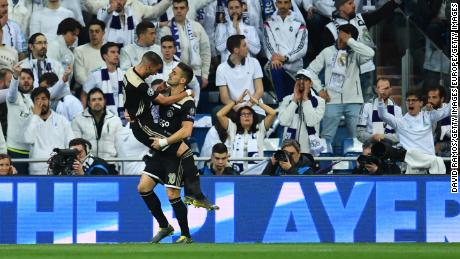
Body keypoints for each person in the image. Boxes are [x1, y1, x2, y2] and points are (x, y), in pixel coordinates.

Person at [136, 62, 199, 244]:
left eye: (174, 72)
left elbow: (187, 131)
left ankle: (186, 234)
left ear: (182, 80)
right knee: (143, 187)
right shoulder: (164, 95)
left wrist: (164, 141)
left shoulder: (187, 103)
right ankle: (165, 226)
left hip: (175, 154)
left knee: (172, 195)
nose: (170, 74)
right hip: (160, 153)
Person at [307, 24, 374, 149]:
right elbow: (310, 71)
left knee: (358, 137)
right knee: (326, 137)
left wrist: (350, 41)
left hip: (354, 101)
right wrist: (320, 90)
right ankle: (326, 168)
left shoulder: (357, 53)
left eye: (345, 38)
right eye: (340, 36)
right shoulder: (327, 52)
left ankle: (359, 166)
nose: (341, 40)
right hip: (331, 100)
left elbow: (370, 53)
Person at [321, 0, 402, 102]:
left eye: (353, 2)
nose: (354, 6)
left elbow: (379, 14)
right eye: (350, 3)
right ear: (340, 7)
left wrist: (395, 2)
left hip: (367, 69)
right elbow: (327, 55)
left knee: (368, 103)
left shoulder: (360, 19)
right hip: (346, 74)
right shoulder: (330, 28)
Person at [377, 89, 451, 174]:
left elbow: (447, 111)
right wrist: (380, 100)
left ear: (421, 103)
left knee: (437, 162)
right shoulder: (400, 122)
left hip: (430, 167)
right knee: (435, 161)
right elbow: (383, 115)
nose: (410, 103)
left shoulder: (428, 117)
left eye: (413, 100)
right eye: (408, 100)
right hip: (411, 166)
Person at [216, 90, 277, 173]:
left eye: (249, 114)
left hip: (257, 173)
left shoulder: (260, 129)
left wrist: (257, 102)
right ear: (239, 118)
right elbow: (219, 114)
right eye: (243, 114)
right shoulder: (233, 129)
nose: (246, 116)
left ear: (253, 117)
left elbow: (273, 113)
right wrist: (235, 102)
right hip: (236, 174)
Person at [159, 0, 211, 88]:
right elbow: (162, 54)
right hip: (175, 75)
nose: (179, 11)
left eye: (182, 8)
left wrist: (205, 75)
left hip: (196, 74)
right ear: (172, 9)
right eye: (176, 8)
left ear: (187, 9)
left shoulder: (197, 27)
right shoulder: (166, 29)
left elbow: (205, 52)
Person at [263, 0, 308, 101]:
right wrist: (274, 57)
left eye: (286, 2)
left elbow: (301, 47)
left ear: (291, 4)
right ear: (276, 4)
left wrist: (286, 58)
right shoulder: (269, 22)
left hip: (295, 70)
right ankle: (281, 103)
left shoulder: (299, 22)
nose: (283, 5)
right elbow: (268, 44)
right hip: (277, 65)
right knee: (274, 67)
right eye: (280, 2)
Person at [23, 87, 74, 175]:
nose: (41, 103)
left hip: (59, 168)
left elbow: (70, 143)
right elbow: (28, 140)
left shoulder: (62, 120)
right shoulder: (29, 120)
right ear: (33, 103)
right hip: (37, 169)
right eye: (37, 99)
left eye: (44, 99)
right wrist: (35, 116)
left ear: (49, 101)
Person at [279, 69, 325, 155]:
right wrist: (294, 101)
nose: (301, 82)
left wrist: (305, 99)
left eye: (305, 79)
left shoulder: (320, 102)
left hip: (309, 151)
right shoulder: (287, 100)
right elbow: (283, 121)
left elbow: (311, 121)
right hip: (289, 151)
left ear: (311, 84)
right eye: (299, 79)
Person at [216, 34, 265, 117]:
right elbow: (224, 97)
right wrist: (236, 106)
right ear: (236, 50)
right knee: (216, 111)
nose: (247, 48)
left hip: (254, 108)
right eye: (244, 45)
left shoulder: (254, 62)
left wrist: (248, 106)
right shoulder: (221, 68)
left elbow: (259, 91)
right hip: (235, 108)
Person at [71, 87, 123, 160]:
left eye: (100, 99)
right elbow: (76, 146)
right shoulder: (78, 120)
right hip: (88, 164)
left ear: (104, 101)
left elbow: (120, 146)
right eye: (93, 100)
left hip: (110, 163)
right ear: (89, 103)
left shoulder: (115, 120)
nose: (97, 102)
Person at [150, 35, 200, 106]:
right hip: (157, 105)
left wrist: (195, 104)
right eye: (164, 47)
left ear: (174, 49)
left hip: (178, 105)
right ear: (161, 49)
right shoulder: (154, 66)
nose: (167, 50)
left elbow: (195, 85)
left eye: (170, 47)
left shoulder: (180, 67)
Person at [96, 0, 171, 47]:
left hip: (127, 52)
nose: (118, 2)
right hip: (108, 52)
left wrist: (159, 24)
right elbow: (100, 21)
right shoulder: (104, 10)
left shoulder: (130, 12)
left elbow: (138, 27)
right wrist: (110, 10)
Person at [357, 78, 402, 148]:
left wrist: (383, 137)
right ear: (376, 90)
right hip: (370, 147)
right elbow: (360, 134)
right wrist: (374, 138)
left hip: (391, 148)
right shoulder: (367, 106)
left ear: (391, 90)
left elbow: (401, 135)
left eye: (386, 88)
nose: (383, 91)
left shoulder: (397, 109)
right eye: (380, 88)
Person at [84, 42, 125, 118]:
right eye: (113, 52)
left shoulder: (124, 74)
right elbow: (85, 95)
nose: (117, 55)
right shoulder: (95, 74)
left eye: (118, 52)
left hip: (123, 116)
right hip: (102, 115)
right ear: (105, 56)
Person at [73, 19, 106, 86]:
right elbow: (79, 76)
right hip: (86, 89)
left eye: (97, 31)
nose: (94, 34)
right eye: (91, 31)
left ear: (103, 33)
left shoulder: (110, 50)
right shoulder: (79, 50)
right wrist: (94, 87)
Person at [426, 85, 451, 170]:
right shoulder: (424, 112)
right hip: (429, 159)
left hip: (450, 158)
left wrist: (442, 146)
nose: (430, 101)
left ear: (442, 99)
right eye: (429, 98)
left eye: (434, 97)